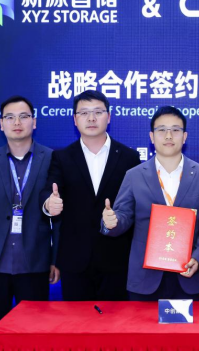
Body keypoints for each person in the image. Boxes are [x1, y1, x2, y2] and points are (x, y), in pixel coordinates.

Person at [0, 96, 58, 346]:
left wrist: (55, 259)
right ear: (1, 124)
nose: (17, 122)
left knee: (34, 338)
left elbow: (58, 214)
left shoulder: (51, 158)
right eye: (10, 117)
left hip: (35, 261)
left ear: (34, 122)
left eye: (23, 117)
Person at [101, 106, 199, 300]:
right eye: (162, 130)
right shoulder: (134, 175)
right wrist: (111, 222)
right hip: (144, 278)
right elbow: (123, 216)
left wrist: (198, 258)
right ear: (152, 137)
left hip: (187, 274)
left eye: (175, 130)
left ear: (185, 136)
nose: (168, 135)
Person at [40, 90, 140, 300]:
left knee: (116, 319)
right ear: (75, 119)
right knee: (76, 320)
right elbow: (49, 191)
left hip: (117, 258)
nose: (91, 118)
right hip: (75, 260)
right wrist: (49, 204)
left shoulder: (129, 157)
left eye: (98, 112)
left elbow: (135, 206)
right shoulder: (62, 157)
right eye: (84, 113)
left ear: (109, 117)